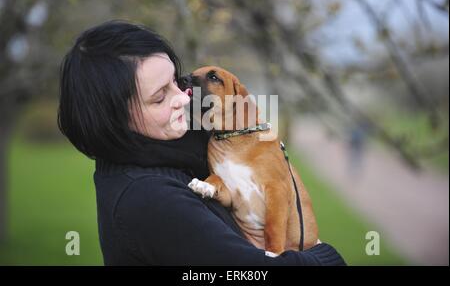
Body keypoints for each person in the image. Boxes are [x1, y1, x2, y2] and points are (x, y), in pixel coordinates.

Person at [57, 20, 346, 266]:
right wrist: (324, 254)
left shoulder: (181, 138)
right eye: (159, 97)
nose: (183, 98)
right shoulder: (149, 199)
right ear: (113, 117)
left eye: (176, 82)